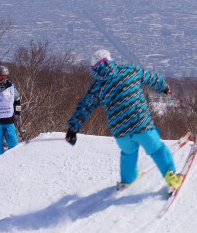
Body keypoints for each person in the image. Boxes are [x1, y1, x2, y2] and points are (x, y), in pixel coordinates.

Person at [66, 49, 183, 190]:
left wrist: (73, 129)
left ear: (94, 69)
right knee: (157, 149)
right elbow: (151, 78)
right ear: (110, 60)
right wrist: (164, 87)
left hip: (121, 133)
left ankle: (127, 181)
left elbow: (85, 107)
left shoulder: (97, 87)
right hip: (142, 125)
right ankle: (172, 176)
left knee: (128, 153)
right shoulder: (129, 70)